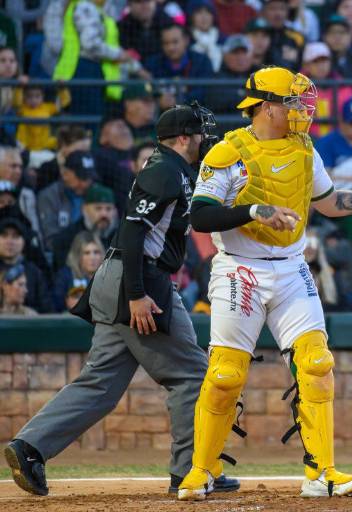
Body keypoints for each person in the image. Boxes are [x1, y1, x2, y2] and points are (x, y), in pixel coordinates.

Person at [176, 66, 352, 500]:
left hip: (290, 266)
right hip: (239, 269)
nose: (304, 108)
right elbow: (201, 215)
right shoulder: (228, 153)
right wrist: (253, 211)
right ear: (266, 107)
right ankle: (202, 469)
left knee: (317, 365)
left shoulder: (306, 149)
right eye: (293, 102)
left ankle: (321, 472)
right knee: (226, 375)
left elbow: (331, 203)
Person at [3, 104, 240, 498]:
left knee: (101, 383)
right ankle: (191, 471)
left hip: (123, 275)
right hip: (138, 277)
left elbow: (193, 220)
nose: (204, 139)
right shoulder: (165, 170)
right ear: (183, 138)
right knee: (193, 376)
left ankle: (29, 447)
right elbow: (132, 232)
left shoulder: (172, 168)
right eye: (198, 134)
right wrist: (137, 295)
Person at [50, 184, 118, 272]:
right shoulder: (66, 239)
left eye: (108, 209)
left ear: (115, 211)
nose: (104, 214)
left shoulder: (121, 237)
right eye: (98, 209)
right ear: (84, 209)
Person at [37, 150, 97, 248]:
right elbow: (50, 240)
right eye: (81, 177)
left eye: (89, 177)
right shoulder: (49, 196)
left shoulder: (95, 193)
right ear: (65, 173)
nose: (86, 183)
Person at [0, 216, 52, 313]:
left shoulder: (34, 272)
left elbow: (47, 308)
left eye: (15, 236)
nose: (9, 241)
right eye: (4, 235)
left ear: (23, 242)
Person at [52, 231, 105, 311]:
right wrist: (66, 303)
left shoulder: (109, 276)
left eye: (96, 252)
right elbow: (54, 306)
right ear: (78, 255)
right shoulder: (65, 276)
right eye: (87, 253)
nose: (92, 257)